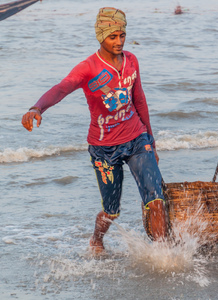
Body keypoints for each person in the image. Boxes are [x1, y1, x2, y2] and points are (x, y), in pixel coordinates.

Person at [21, 7, 168, 254]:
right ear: (101, 36)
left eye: (122, 35)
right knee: (112, 210)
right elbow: (62, 88)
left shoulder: (131, 60)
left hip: (136, 138)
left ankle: (164, 256)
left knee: (156, 200)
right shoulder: (88, 68)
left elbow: (139, 99)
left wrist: (150, 141)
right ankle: (97, 240)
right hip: (104, 148)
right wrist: (37, 108)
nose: (119, 41)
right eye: (113, 37)